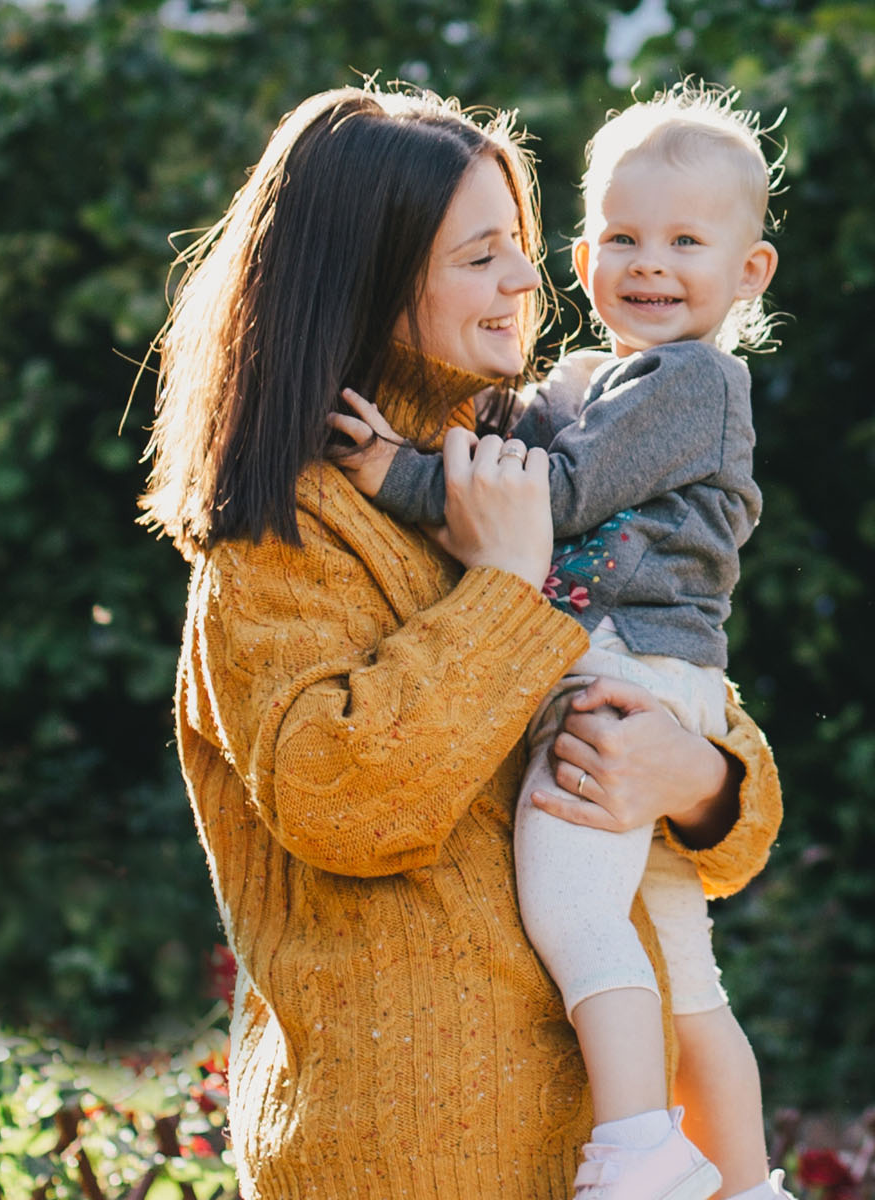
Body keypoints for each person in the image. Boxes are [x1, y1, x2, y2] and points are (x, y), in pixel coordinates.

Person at [138, 84, 782, 1199]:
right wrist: (501, 585)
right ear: (375, 282)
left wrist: (699, 779)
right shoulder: (286, 535)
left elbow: (717, 787)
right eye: (483, 256)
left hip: (601, 1154)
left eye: (521, 249)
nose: (529, 283)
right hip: (413, 1155)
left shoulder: (521, 463)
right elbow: (347, 799)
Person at [329, 86, 788, 1200]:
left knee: (575, 909)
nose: (651, 262)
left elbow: (558, 495)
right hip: (654, 677)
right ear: (582, 260)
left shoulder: (693, 382)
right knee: (686, 975)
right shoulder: (596, 382)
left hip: (625, 669)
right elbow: (521, 441)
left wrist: (396, 471)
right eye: (624, 237)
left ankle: (637, 1150)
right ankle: (746, 1186)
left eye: (687, 240)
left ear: (749, 273)